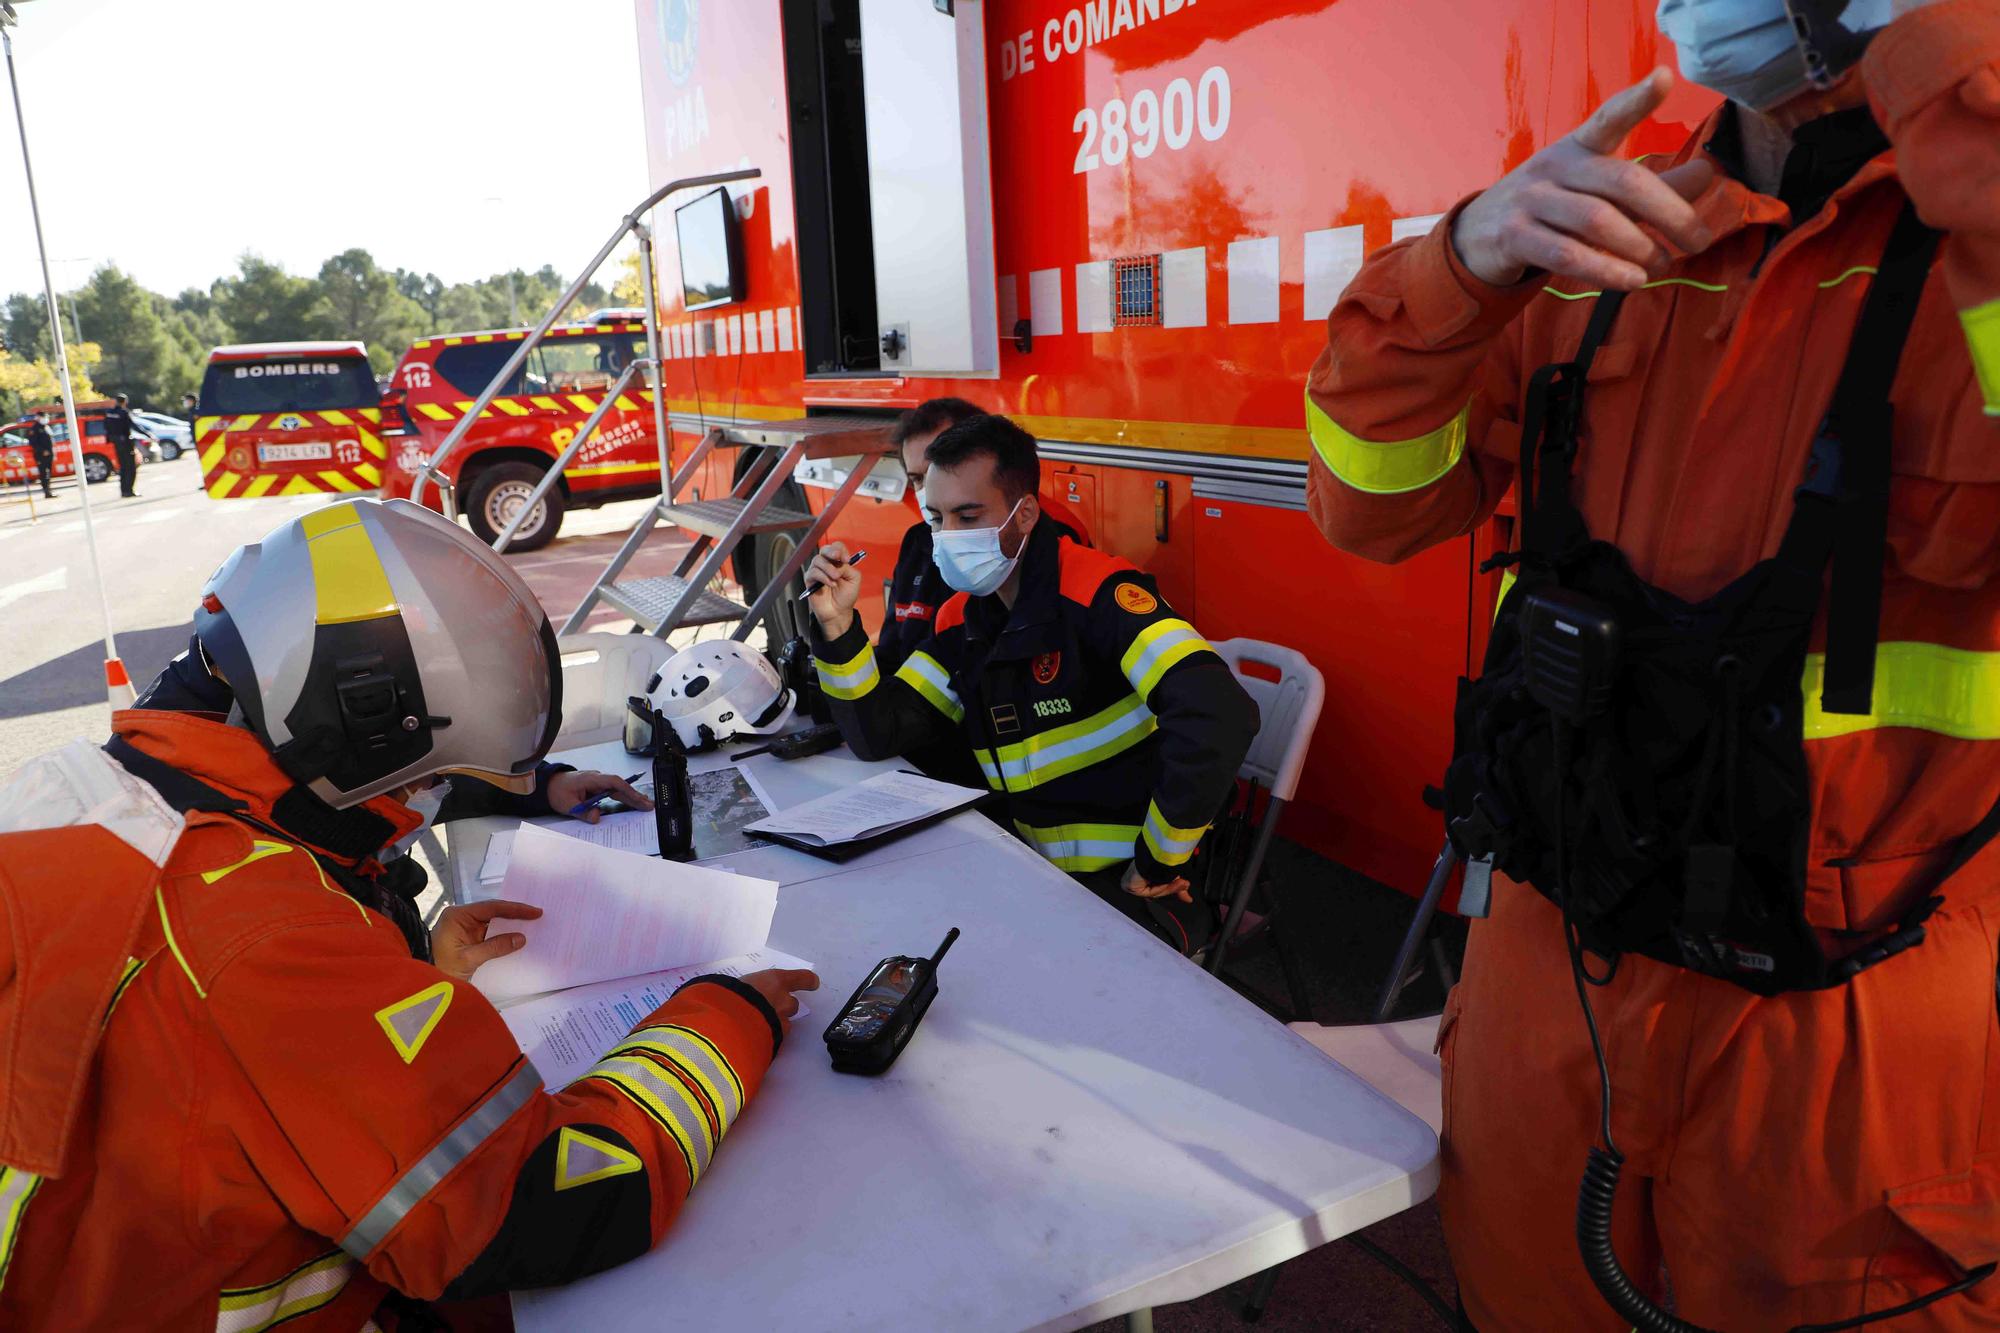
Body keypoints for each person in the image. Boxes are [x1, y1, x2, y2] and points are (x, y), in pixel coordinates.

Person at [1305, 2, 1999, 1328]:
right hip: (1548, 984)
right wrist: (1459, 262)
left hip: (1849, 1047)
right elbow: (1366, 504)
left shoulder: (1970, 245)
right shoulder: (1592, 236)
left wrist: (1953, 64)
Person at [0, 496, 819, 1331]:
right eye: (420, 781)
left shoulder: (94, 796)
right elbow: (540, 1202)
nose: (421, 807)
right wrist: (725, 1015)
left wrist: (402, 975)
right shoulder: (267, 940)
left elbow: (204, 1059)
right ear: (348, 734)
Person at [805, 413, 1259, 955]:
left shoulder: (1101, 593)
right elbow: (879, 733)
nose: (948, 537)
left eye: (968, 515)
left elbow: (1220, 715)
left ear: (1024, 513)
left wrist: (1157, 862)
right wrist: (836, 630)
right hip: (1031, 873)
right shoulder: (961, 619)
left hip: (1136, 889)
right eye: (937, 518)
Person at [102, 392, 140, 497]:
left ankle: (123, 491)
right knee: (131, 468)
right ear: (125, 402)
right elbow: (133, 426)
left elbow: (105, 426)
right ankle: (129, 490)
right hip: (126, 443)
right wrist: (148, 434)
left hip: (116, 443)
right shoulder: (124, 412)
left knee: (123, 468)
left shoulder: (109, 412)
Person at [24, 410, 53, 499]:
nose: (46, 419)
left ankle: (49, 491)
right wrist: (42, 451)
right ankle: (46, 491)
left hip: (49, 454)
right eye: (44, 417)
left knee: (48, 473)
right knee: (43, 473)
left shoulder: (45, 427)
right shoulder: (34, 429)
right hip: (41, 455)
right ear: (39, 417)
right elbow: (33, 443)